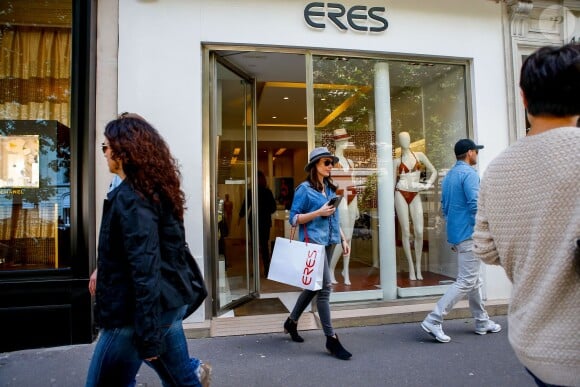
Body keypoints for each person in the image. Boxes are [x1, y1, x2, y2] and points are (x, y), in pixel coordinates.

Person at [473, 44, 580, 386]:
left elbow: (486, 248)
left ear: (523, 98)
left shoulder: (498, 168)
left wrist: (536, 258)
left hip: (532, 341)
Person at [86, 113, 211, 387]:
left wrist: (147, 335)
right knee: (182, 380)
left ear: (123, 151)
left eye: (106, 147)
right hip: (162, 306)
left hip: (133, 314)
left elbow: (145, 267)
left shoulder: (133, 198)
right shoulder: (151, 190)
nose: (104, 153)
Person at [420, 138, 501, 343]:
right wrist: (485, 230)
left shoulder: (448, 177)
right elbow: (476, 205)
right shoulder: (470, 175)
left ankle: (482, 321)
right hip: (469, 234)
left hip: (457, 234)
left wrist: (454, 230)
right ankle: (434, 318)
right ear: (470, 153)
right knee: (466, 280)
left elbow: (445, 208)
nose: (477, 155)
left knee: (474, 280)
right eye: (476, 151)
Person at [283, 147, 352, 360]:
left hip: (330, 241)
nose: (330, 166)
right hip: (313, 243)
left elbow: (334, 216)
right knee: (324, 289)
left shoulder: (330, 189)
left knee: (314, 287)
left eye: (331, 162)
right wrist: (318, 212)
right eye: (326, 162)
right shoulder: (304, 189)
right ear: (315, 166)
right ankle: (331, 339)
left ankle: (291, 322)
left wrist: (342, 237)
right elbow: (294, 219)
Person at [393, 131, 437, 281]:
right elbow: (392, 183)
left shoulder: (419, 155)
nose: (405, 141)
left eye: (407, 138)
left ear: (410, 139)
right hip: (401, 192)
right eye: (402, 139)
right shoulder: (396, 161)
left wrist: (428, 184)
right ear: (399, 141)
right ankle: (411, 267)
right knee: (406, 231)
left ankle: (419, 267)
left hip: (415, 193)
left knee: (419, 231)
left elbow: (434, 171)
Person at [329, 128, 359, 285]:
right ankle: (331, 268)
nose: (347, 142)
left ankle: (346, 271)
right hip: (340, 196)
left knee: (350, 237)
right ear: (338, 141)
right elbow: (328, 184)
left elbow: (353, 180)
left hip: (352, 196)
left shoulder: (350, 162)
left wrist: (358, 205)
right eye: (344, 140)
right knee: (344, 237)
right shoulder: (331, 161)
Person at [238, 170, 277, 276]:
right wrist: (265, 211)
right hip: (265, 221)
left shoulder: (251, 192)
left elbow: (245, 207)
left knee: (254, 246)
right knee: (264, 246)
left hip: (254, 221)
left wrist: (240, 216)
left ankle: (255, 271)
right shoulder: (267, 192)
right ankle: (267, 270)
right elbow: (273, 208)